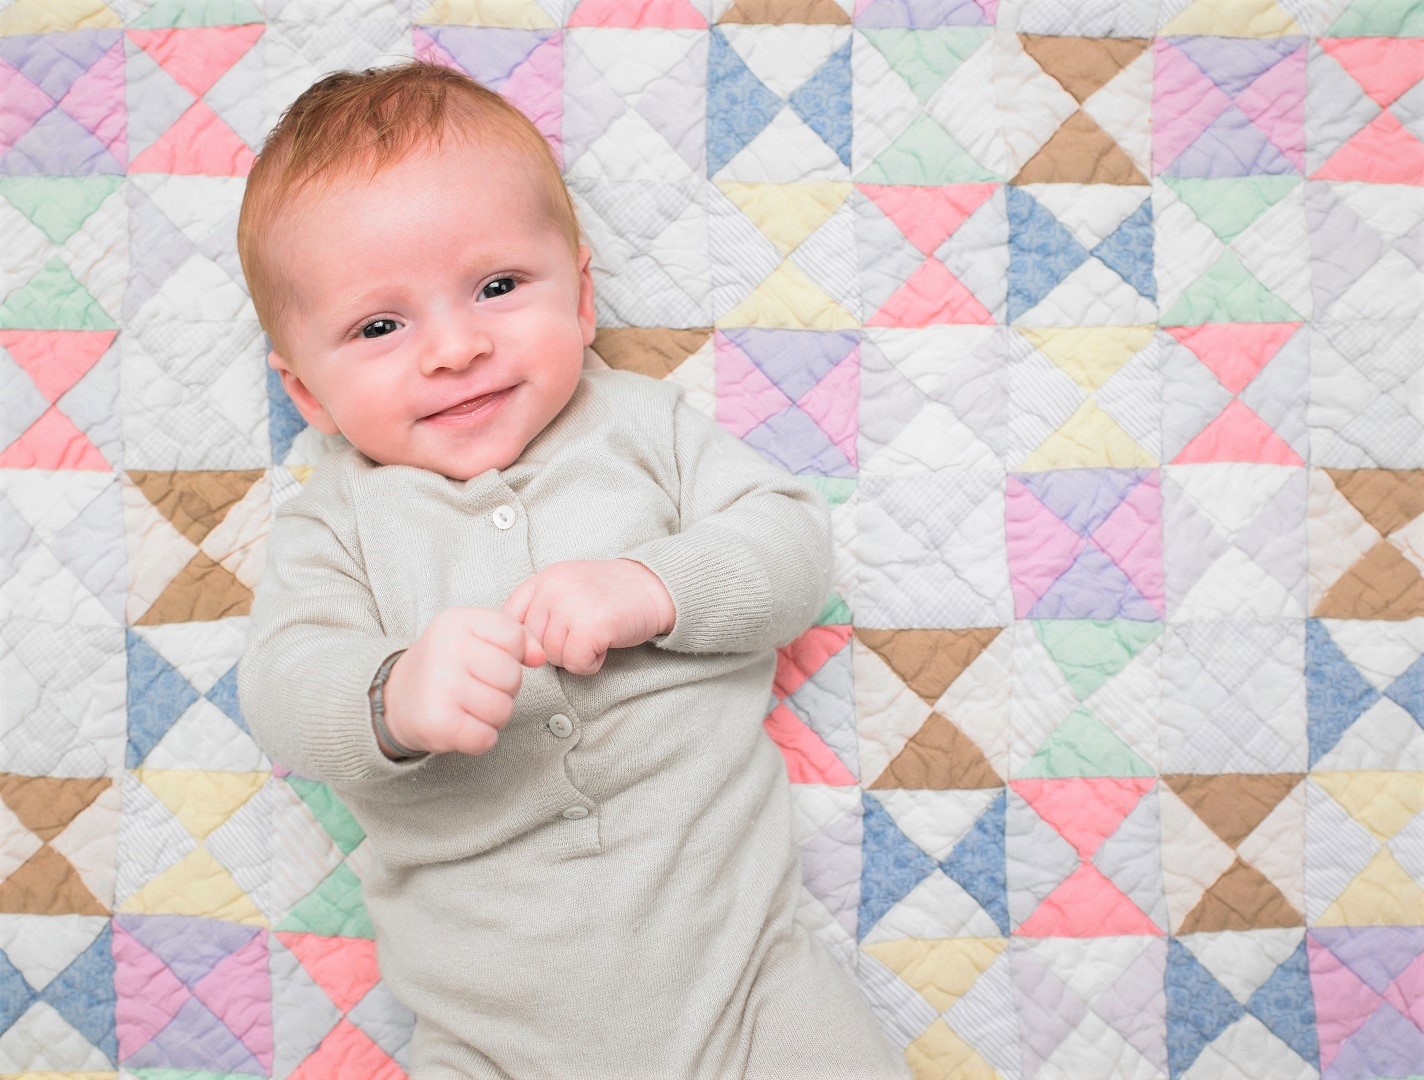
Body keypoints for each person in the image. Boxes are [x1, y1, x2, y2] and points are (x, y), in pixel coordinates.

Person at [236, 60, 909, 1079]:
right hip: (493, 1039)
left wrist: (654, 586)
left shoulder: (642, 429)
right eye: (380, 326)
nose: (455, 348)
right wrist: (393, 695)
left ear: (582, 296)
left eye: (498, 287)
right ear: (308, 394)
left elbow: (788, 544)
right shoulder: (335, 522)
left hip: (746, 989)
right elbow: (284, 686)